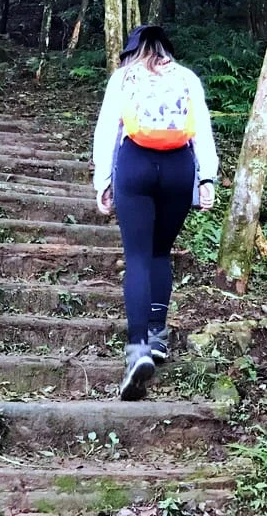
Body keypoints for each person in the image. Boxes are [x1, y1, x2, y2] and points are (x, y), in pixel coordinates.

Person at [91, 25, 218, 401]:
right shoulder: (186, 77)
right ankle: (158, 334)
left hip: (136, 164)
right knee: (161, 251)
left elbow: (106, 130)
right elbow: (202, 131)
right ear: (166, 49)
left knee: (138, 257)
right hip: (179, 168)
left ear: (133, 50)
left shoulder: (123, 78)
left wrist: (103, 180)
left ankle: (137, 349)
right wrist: (206, 178)